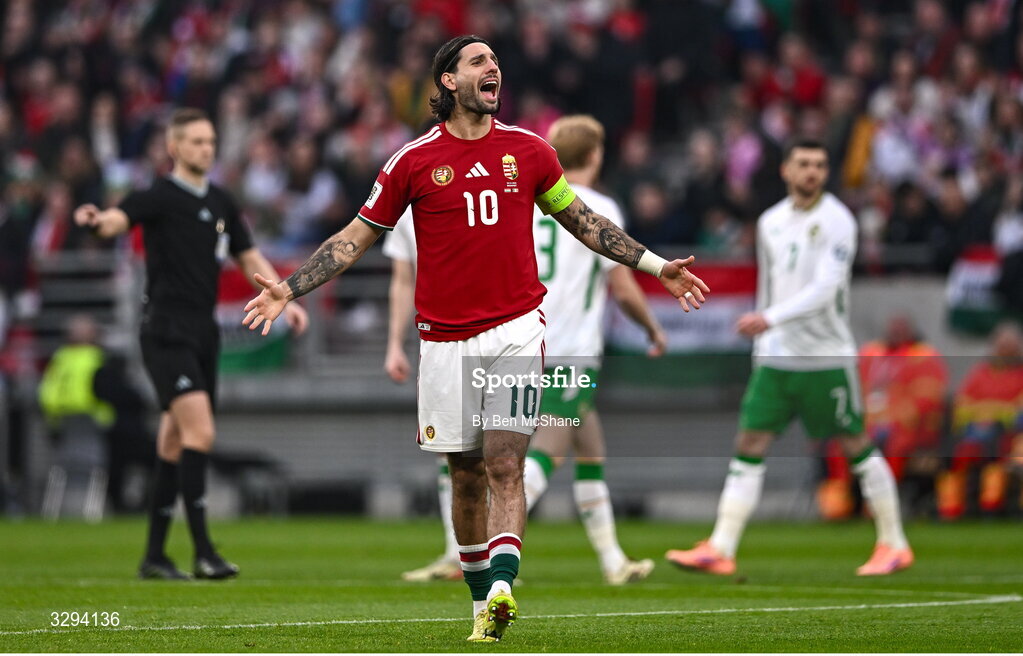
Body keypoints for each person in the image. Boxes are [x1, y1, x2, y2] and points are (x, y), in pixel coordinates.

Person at [242, 35, 709, 643]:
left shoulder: (531, 152)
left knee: (505, 463)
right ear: (447, 82)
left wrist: (655, 266)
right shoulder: (410, 162)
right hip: (442, 341)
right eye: (478, 62)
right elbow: (353, 239)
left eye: (495, 61)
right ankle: (479, 602)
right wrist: (289, 288)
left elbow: (585, 223)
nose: (494, 68)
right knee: (463, 474)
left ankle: (503, 588)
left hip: (517, 328)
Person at [73, 108, 309, 580]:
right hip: (165, 331)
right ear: (175, 148)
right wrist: (96, 220)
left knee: (174, 442)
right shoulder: (159, 196)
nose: (207, 148)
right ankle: (204, 551)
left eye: (211, 140)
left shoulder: (221, 201)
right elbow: (119, 219)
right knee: (200, 434)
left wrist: (286, 293)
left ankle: (155, 557)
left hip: (203, 333)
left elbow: (249, 256)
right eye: (197, 141)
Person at [666, 138, 913, 577]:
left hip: (824, 356)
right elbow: (772, 284)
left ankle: (893, 544)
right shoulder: (770, 222)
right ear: (786, 170)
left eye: (819, 164)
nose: (812, 172)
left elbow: (828, 289)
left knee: (855, 443)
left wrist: (769, 318)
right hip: (777, 358)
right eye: (803, 164)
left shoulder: (838, 221)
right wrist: (766, 338)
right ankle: (721, 546)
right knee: (750, 443)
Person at [523, 115, 663, 585]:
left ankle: (612, 561)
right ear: (596, 155)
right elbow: (622, 287)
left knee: (590, 447)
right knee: (548, 450)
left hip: (520, 342)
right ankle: (490, 549)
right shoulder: (599, 206)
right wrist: (653, 329)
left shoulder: (525, 202)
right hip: (569, 350)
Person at [382, 207, 463, 583]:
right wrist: (395, 344)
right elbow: (402, 279)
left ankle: (488, 555)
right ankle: (459, 552)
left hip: (501, 334)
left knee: (500, 453)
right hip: (442, 340)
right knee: (452, 449)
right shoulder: (407, 211)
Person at [818, 315, 948, 520]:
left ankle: (881, 503)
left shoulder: (923, 355)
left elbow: (928, 396)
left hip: (906, 426)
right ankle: (842, 503)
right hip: (868, 421)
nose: (895, 333)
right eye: (893, 328)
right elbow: (851, 386)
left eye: (901, 328)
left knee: (895, 446)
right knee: (840, 443)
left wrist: (897, 415)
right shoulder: (871, 353)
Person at [937, 322, 1023, 519]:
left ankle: (990, 507)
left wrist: (987, 410)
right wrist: (992, 410)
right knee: (950, 452)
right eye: (1002, 347)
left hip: (1009, 433)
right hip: (973, 430)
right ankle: (950, 510)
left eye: (1010, 347)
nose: (1005, 351)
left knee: (994, 449)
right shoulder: (981, 372)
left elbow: (1018, 410)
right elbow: (961, 405)